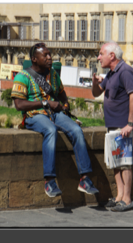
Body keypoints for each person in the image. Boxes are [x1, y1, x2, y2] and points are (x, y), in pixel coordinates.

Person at [11, 43, 99, 198]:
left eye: (49, 54)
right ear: (34, 59)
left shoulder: (53, 75)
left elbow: (61, 93)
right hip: (34, 115)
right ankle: (49, 181)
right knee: (50, 131)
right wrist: (45, 103)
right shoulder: (22, 77)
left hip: (54, 113)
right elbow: (19, 105)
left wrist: (65, 105)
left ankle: (84, 179)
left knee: (77, 130)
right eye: (44, 55)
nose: (49, 57)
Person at [92, 42, 133, 212]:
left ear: (112, 55)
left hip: (123, 127)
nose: (99, 57)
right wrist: (94, 82)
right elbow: (97, 93)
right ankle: (119, 196)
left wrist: (130, 124)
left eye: (101, 53)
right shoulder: (112, 73)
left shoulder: (125, 71)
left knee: (125, 163)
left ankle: (127, 199)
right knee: (115, 163)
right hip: (113, 126)